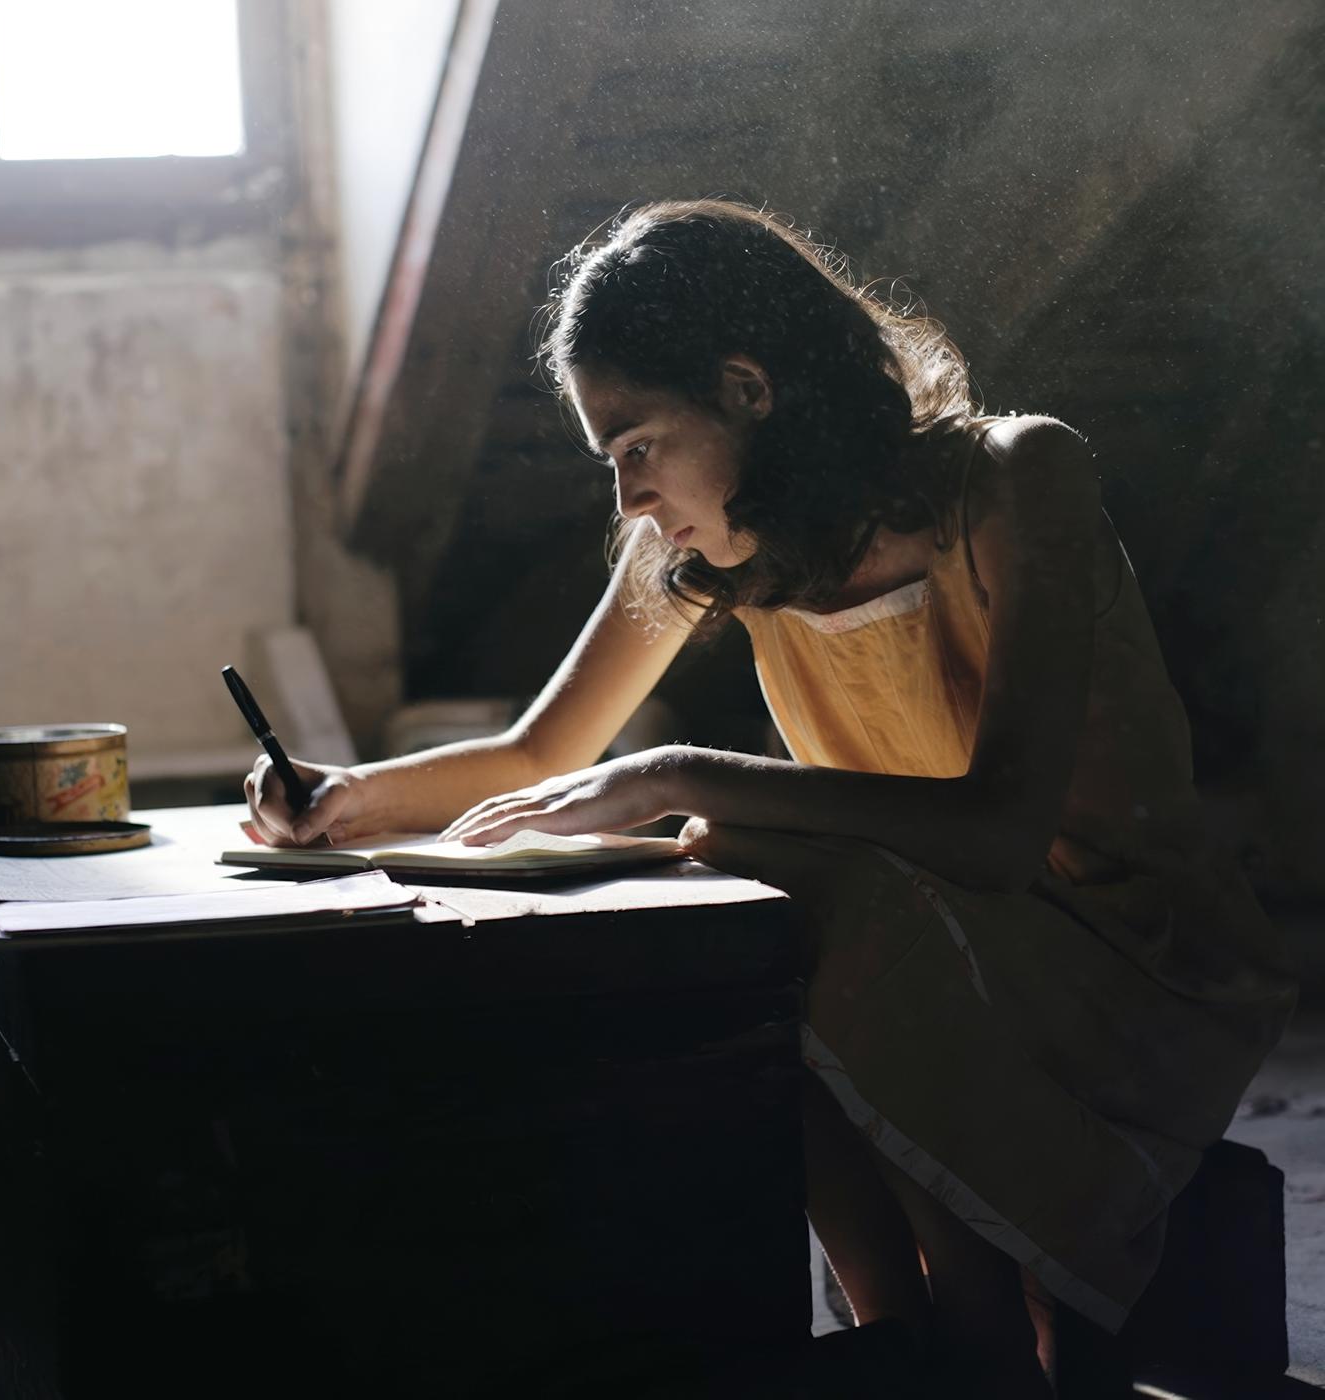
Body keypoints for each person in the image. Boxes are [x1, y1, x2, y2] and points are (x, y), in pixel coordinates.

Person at [246, 199, 1296, 1395]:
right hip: (929, 943)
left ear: (746, 386)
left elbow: (1000, 834)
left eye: (636, 444)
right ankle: (906, 1331)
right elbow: (542, 752)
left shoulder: (1013, 477)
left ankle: (978, 1338)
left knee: (775, 866)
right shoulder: (708, 546)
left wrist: (679, 771)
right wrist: (343, 797)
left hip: (1132, 961)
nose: (629, 499)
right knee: (751, 921)